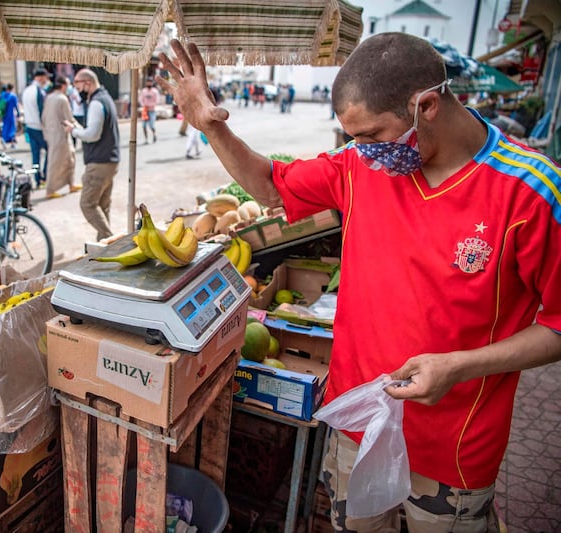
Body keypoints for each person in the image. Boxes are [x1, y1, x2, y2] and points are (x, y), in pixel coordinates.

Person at [158, 34, 561, 532]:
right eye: (353, 138)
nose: (364, 151)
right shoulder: (359, 166)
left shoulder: (530, 193)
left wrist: (460, 366)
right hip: (357, 425)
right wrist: (209, 127)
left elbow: (557, 326)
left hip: (452, 450)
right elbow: (269, 184)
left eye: (373, 134)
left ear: (427, 106)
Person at [64, 69, 120, 242]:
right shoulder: (105, 97)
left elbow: (93, 134)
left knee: (87, 204)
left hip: (99, 163)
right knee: (103, 206)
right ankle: (104, 244)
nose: (76, 89)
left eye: (77, 84)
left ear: (87, 82)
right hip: (110, 161)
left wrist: (74, 131)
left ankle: (110, 240)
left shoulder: (97, 102)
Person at [42, 75, 80, 199]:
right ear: (63, 85)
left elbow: (44, 118)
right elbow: (69, 118)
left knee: (70, 158)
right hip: (61, 135)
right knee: (56, 162)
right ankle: (50, 189)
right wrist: (81, 129)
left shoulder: (49, 97)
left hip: (53, 134)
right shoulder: (62, 99)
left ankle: (71, 183)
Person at [22, 68, 50, 187]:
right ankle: (45, 176)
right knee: (50, 150)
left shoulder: (26, 90)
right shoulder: (39, 91)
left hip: (29, 126)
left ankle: (38, 179)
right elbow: (42, 111)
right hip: (39, 127)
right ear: (41, 77)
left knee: (35, 155)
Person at [0, 83, 21, 150]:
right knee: (12, 129)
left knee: (5, 127)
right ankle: (12, 144)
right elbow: (16, 105)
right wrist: (18, 113)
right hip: (11, 115)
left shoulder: (2, 95)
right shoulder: (13, 96)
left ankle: (3, 139)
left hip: (4, 115)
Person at [139, 77, 161, 144]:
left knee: (151, 125)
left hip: (152, 111)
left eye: (150, 82)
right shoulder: (144, 91)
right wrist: (144, 105)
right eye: (148, 81)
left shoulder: (155, 91)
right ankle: (146, 139)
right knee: (144, 126)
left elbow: (157, 101)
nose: (149, 83)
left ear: (152, 83)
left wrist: (150, 105)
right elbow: (140, 99)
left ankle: (154, 134)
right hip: (145, 111)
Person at [68, 84, 86, 148]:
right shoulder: (72, 90)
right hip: (74, 113)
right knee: (73, 129)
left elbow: (80, 102)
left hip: (81, 113)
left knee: (83, 129)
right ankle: (74, 145)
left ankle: (84, 145)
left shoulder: (82, 92)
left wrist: (75, 99)